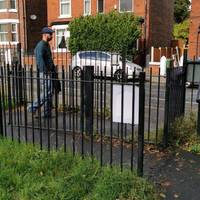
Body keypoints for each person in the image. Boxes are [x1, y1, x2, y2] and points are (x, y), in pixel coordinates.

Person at [27, 27, 56, 118]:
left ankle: (47, 113)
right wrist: (45, 71)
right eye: (50, 34)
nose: (51, 36)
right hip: (45, 73)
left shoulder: (46, 44)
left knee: (48, 92)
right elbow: (39, 59)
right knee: (48, 92)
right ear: (44, 35)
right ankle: (32, 107)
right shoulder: (41, 45)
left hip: (49, 72)